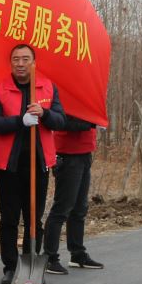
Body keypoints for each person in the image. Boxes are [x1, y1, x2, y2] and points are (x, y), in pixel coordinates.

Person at [0, 43, 67, 284]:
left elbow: (60, 121)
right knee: (9, 217)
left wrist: (44, 114)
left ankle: (31, 263)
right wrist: (20, 121)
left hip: (38, 162)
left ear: (34, 62)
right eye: (16, 59)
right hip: (9, 164)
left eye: (25, 59)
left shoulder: (47, 87)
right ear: (10, 63)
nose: (20, 64)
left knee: (34, 218)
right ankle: (10, 267)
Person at [47, 113, 104, 271]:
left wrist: (95, 121)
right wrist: (91, 122)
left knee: (80, 208)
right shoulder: (64, 93)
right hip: (68, 154)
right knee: (62, 208)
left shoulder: (89, 96)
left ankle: (77, 254)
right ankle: (49, 258)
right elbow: (60, 122)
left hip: (85, 152)